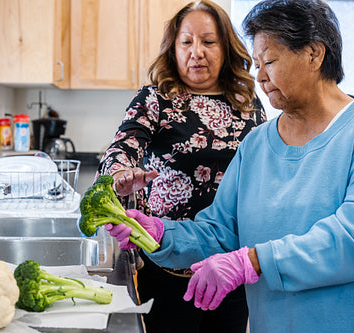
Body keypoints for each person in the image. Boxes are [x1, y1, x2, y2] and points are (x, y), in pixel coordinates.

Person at [106, 0, 354, 332]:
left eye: (270, 61)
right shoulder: (256, 144)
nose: (261, 77)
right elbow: (221, 232)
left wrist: (253, 261)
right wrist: (162, 234)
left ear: (313, 54)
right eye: (257, 64)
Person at [96, 1, 266, 332]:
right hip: (163, 263)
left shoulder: (248, 103)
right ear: (173, 49)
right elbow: (123, 145)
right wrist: (120, 174)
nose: (197, 52)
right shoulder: (155, 99)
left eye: (208, 41)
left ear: (226, 47)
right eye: (186, 42)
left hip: (227, 265)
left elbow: (263, 167)